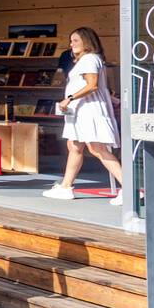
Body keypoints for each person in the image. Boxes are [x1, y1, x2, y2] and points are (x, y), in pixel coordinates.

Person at [43, 27, 124, 203]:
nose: (71, 44)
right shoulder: (89, 60)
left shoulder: (89, 59)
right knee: (74, 146)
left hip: (89, 110)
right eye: (71, 41)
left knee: (98, 149)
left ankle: (129, 189)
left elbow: (92, 85)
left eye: (76, 41)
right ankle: (66, 186)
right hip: (81, 111)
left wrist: (69, 99)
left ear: (86, 42)